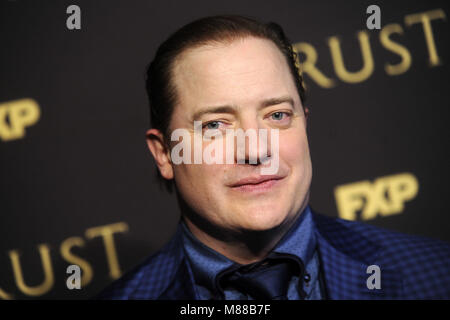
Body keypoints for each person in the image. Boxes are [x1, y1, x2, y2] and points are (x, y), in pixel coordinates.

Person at [96, 15, 450, 300]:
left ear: (304, 124)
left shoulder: (437, 274)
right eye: (216, 124)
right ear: (164, 154)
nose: (256, 151)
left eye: (277, 116)